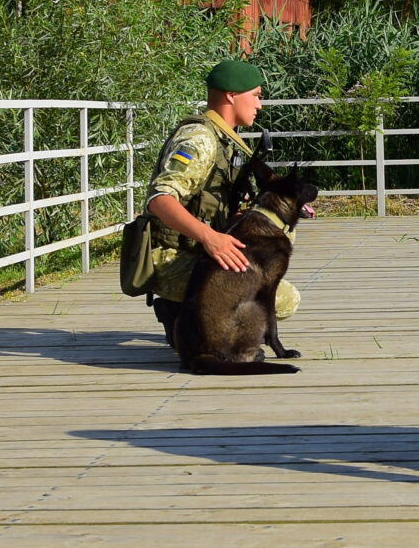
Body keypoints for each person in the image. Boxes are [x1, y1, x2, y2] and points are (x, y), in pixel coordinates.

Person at [124, 56, 307, 339]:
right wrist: (212, 238)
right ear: (232, 96)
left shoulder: (224, 138)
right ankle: (179, 311)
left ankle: (193, 319)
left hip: (195, 250)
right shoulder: (200, 139)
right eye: (256, 96)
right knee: (284, 298)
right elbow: (159, 199)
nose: (259, 104)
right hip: (172, 257)